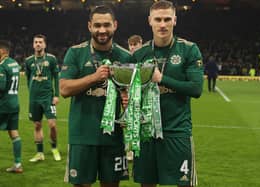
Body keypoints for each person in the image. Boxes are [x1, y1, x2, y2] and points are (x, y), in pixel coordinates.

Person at [131, 1, 204, 187]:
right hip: (146, 131)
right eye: (158, 19)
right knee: (146, 184)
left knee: (183, 183)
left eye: (167, 19)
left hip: (177, 131)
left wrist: (161, 78)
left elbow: (196, 89)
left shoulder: (188, 49)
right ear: (150, 21)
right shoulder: (140, 54)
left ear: (175, 20)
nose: (162, 24)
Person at [60, 5, 130, 187]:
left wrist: (128, 106)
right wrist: (94, 77)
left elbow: (131, 96)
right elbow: (65, 89)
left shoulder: (125, 56)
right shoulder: (75, 52)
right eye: (97, 25)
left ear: (115, 25)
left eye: (107, 24)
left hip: (113, 137)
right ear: (89, 26)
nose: (102, 30)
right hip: (82, 136)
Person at [25, 34, 61, 162]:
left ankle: (54, 148)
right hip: (34, 99)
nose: (38, 44)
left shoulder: (51, 59)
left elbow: (56, 77)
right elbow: (28, 78)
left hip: (48, 97)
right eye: (36, 42)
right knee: (37, 125)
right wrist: (31, 93)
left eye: (40, 42)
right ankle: (40, 153)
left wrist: (56, 95)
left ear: (45, 44)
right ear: (33, 44)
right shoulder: (28, 61)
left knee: (52, 124)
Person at [0, 40, 23, 173]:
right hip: (14, 103)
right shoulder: (14, 63)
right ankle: (18, 164)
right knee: (14, 132)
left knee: (13, 132)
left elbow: (1, 87)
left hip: (3, 104)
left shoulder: (2, 65)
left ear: (2, 51)